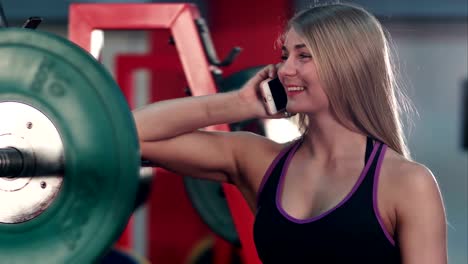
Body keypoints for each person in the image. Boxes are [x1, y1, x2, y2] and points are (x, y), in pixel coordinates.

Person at [133, 2, 447, 263]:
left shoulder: (407, 183)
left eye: (303, 55)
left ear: (348, 67)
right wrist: (239, 103)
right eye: (285, 55)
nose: (284, 70)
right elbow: (129, 135)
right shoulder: (259, 161)